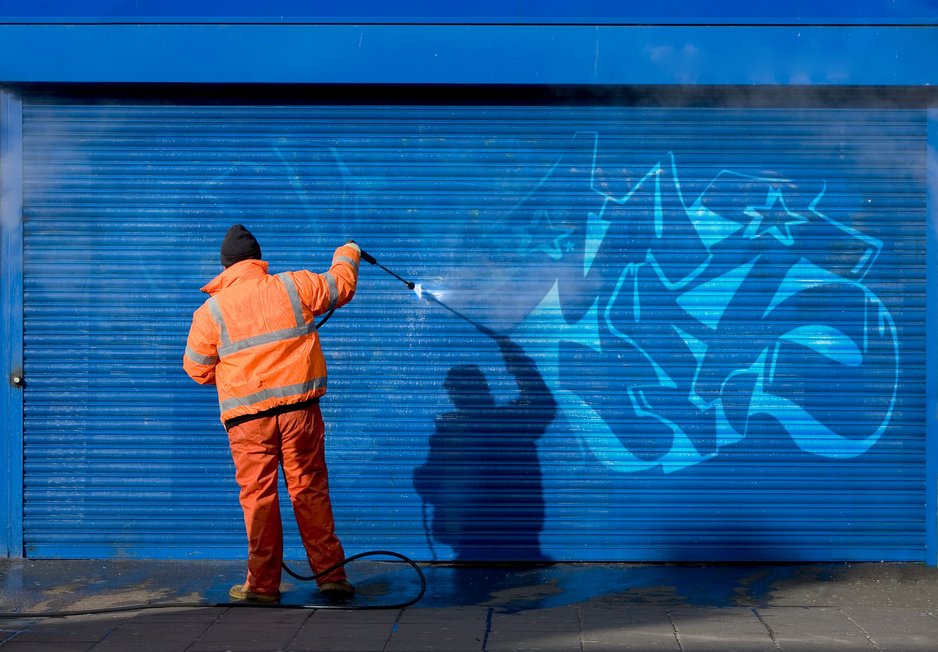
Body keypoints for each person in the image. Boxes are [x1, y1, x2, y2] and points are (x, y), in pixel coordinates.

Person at [183, 224, 360, 603]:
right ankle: (330, 577)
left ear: (225, 266)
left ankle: (262, 587)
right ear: (257, 260)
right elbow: (340, 286)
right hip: (300, 413)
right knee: (309, 489)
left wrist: (238, 375)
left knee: (258, 497)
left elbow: (196, 368)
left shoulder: (211, 311)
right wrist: (348, 251)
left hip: (247, 421)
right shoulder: (292, 286)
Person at [413, 335, 556, 562]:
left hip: (491, 537)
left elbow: (430, 483)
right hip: (502, 535)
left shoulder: (498, 422)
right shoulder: (507, 420)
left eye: (456, 389)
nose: (453, 396)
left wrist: (519, 363)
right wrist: (519, 363)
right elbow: (542, 403)